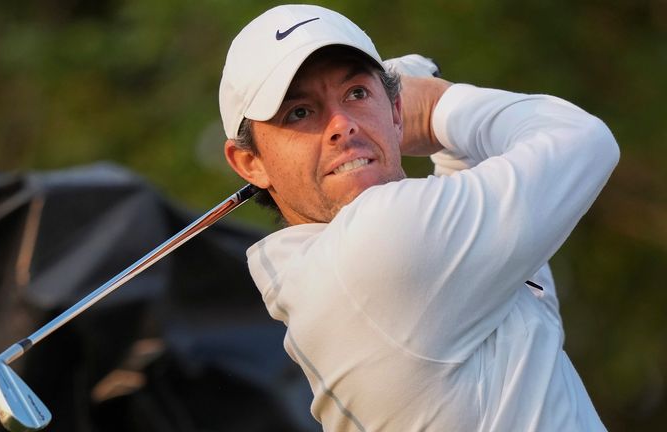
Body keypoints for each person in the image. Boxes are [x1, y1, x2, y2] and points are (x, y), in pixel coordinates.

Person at [219, 4, 619, 431]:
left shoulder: (326, 273)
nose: (342, 125)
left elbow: (482, 212)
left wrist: (430, 125)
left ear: (394, 111)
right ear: (249, 162)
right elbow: (583, 140)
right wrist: (438, 105)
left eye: (356, 93)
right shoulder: (377, 244)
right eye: (299, 112)